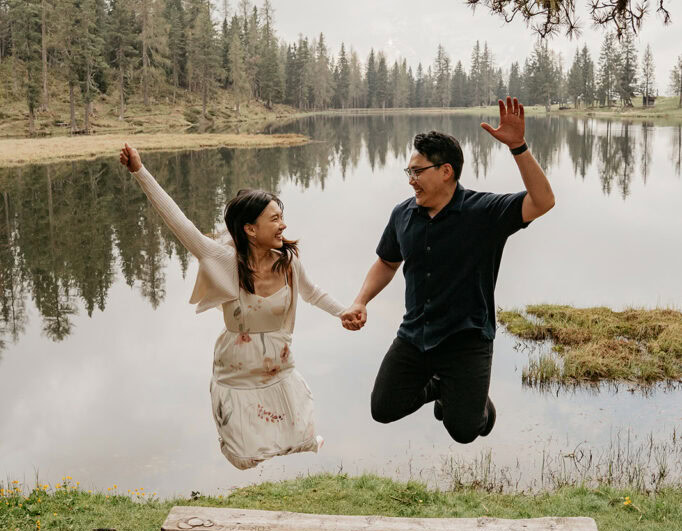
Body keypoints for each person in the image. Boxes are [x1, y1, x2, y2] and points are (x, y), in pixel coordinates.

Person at [120, 143, 348, 470]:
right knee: (243, 457)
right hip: (236, 370)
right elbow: (177, 221)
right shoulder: (223, 261)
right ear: (250, 229)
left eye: (282, 217)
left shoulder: (288, 262)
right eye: (275, 219)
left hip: (277, 366)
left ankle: (298, 441)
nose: (283, 225)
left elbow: (313, 293)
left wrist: (345, 312)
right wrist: (140, 172)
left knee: (300, 435)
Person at [340, 97, 555, 443]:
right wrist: (361, 300)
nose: (410, 179)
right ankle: (441, 387)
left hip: (466, 338)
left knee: (465, 430)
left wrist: (518, 147)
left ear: (446, 171)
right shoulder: (402, 214)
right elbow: (386, 262)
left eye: (417, 171)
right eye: (408, 172)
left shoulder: (483, 212)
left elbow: (543, 201)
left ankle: (468, 401)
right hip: (416, 335)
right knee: (384, 408)